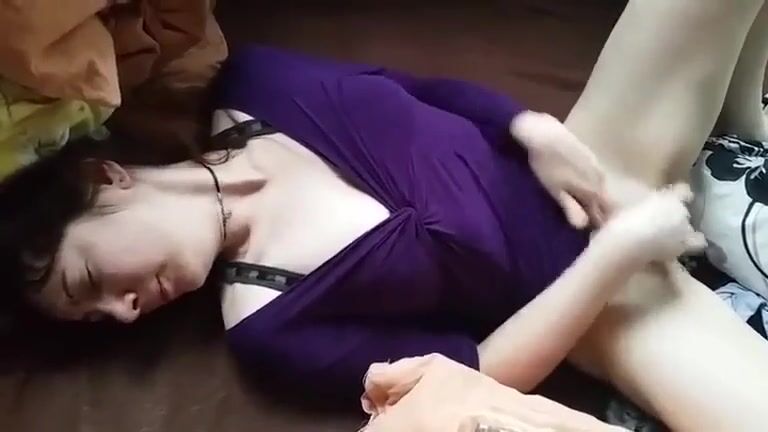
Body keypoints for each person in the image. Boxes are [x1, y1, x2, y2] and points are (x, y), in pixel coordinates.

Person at [1, 0, 767, 430]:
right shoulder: (269, 326)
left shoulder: (259, 82)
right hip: (616, 307)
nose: (125, 309)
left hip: (602, 157)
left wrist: (528, 129)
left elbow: (420, 92)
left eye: (91, 279)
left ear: (105, 179)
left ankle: (743, 114)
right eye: (104, 319)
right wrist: (616, 254)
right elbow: (476, 374)